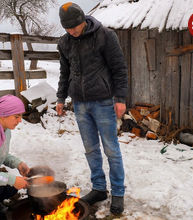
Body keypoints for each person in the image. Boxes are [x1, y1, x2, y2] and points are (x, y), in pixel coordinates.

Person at [56, 2, 128, 215]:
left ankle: (118, 192)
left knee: (111, 149)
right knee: (90, 149)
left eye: (74, 27)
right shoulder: (65, 42)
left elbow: (119, 68)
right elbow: (64, 73)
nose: (71, 31)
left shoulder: (105, 35)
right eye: (67, 28)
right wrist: (61, 97)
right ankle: (98, 188)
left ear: (82, 20)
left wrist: (121, 98)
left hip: (103, 101)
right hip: (79, 103)